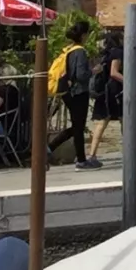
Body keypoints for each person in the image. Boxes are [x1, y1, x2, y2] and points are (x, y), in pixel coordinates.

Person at [54, 19, 99, 169]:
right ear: (84, 35)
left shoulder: (69, 50)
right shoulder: (80, 51)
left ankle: (52, 148)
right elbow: (81, 75)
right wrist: (93, 71)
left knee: (77, 126)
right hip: (79, 92)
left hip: (69, 92)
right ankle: (80, 159)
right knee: (78, 127)